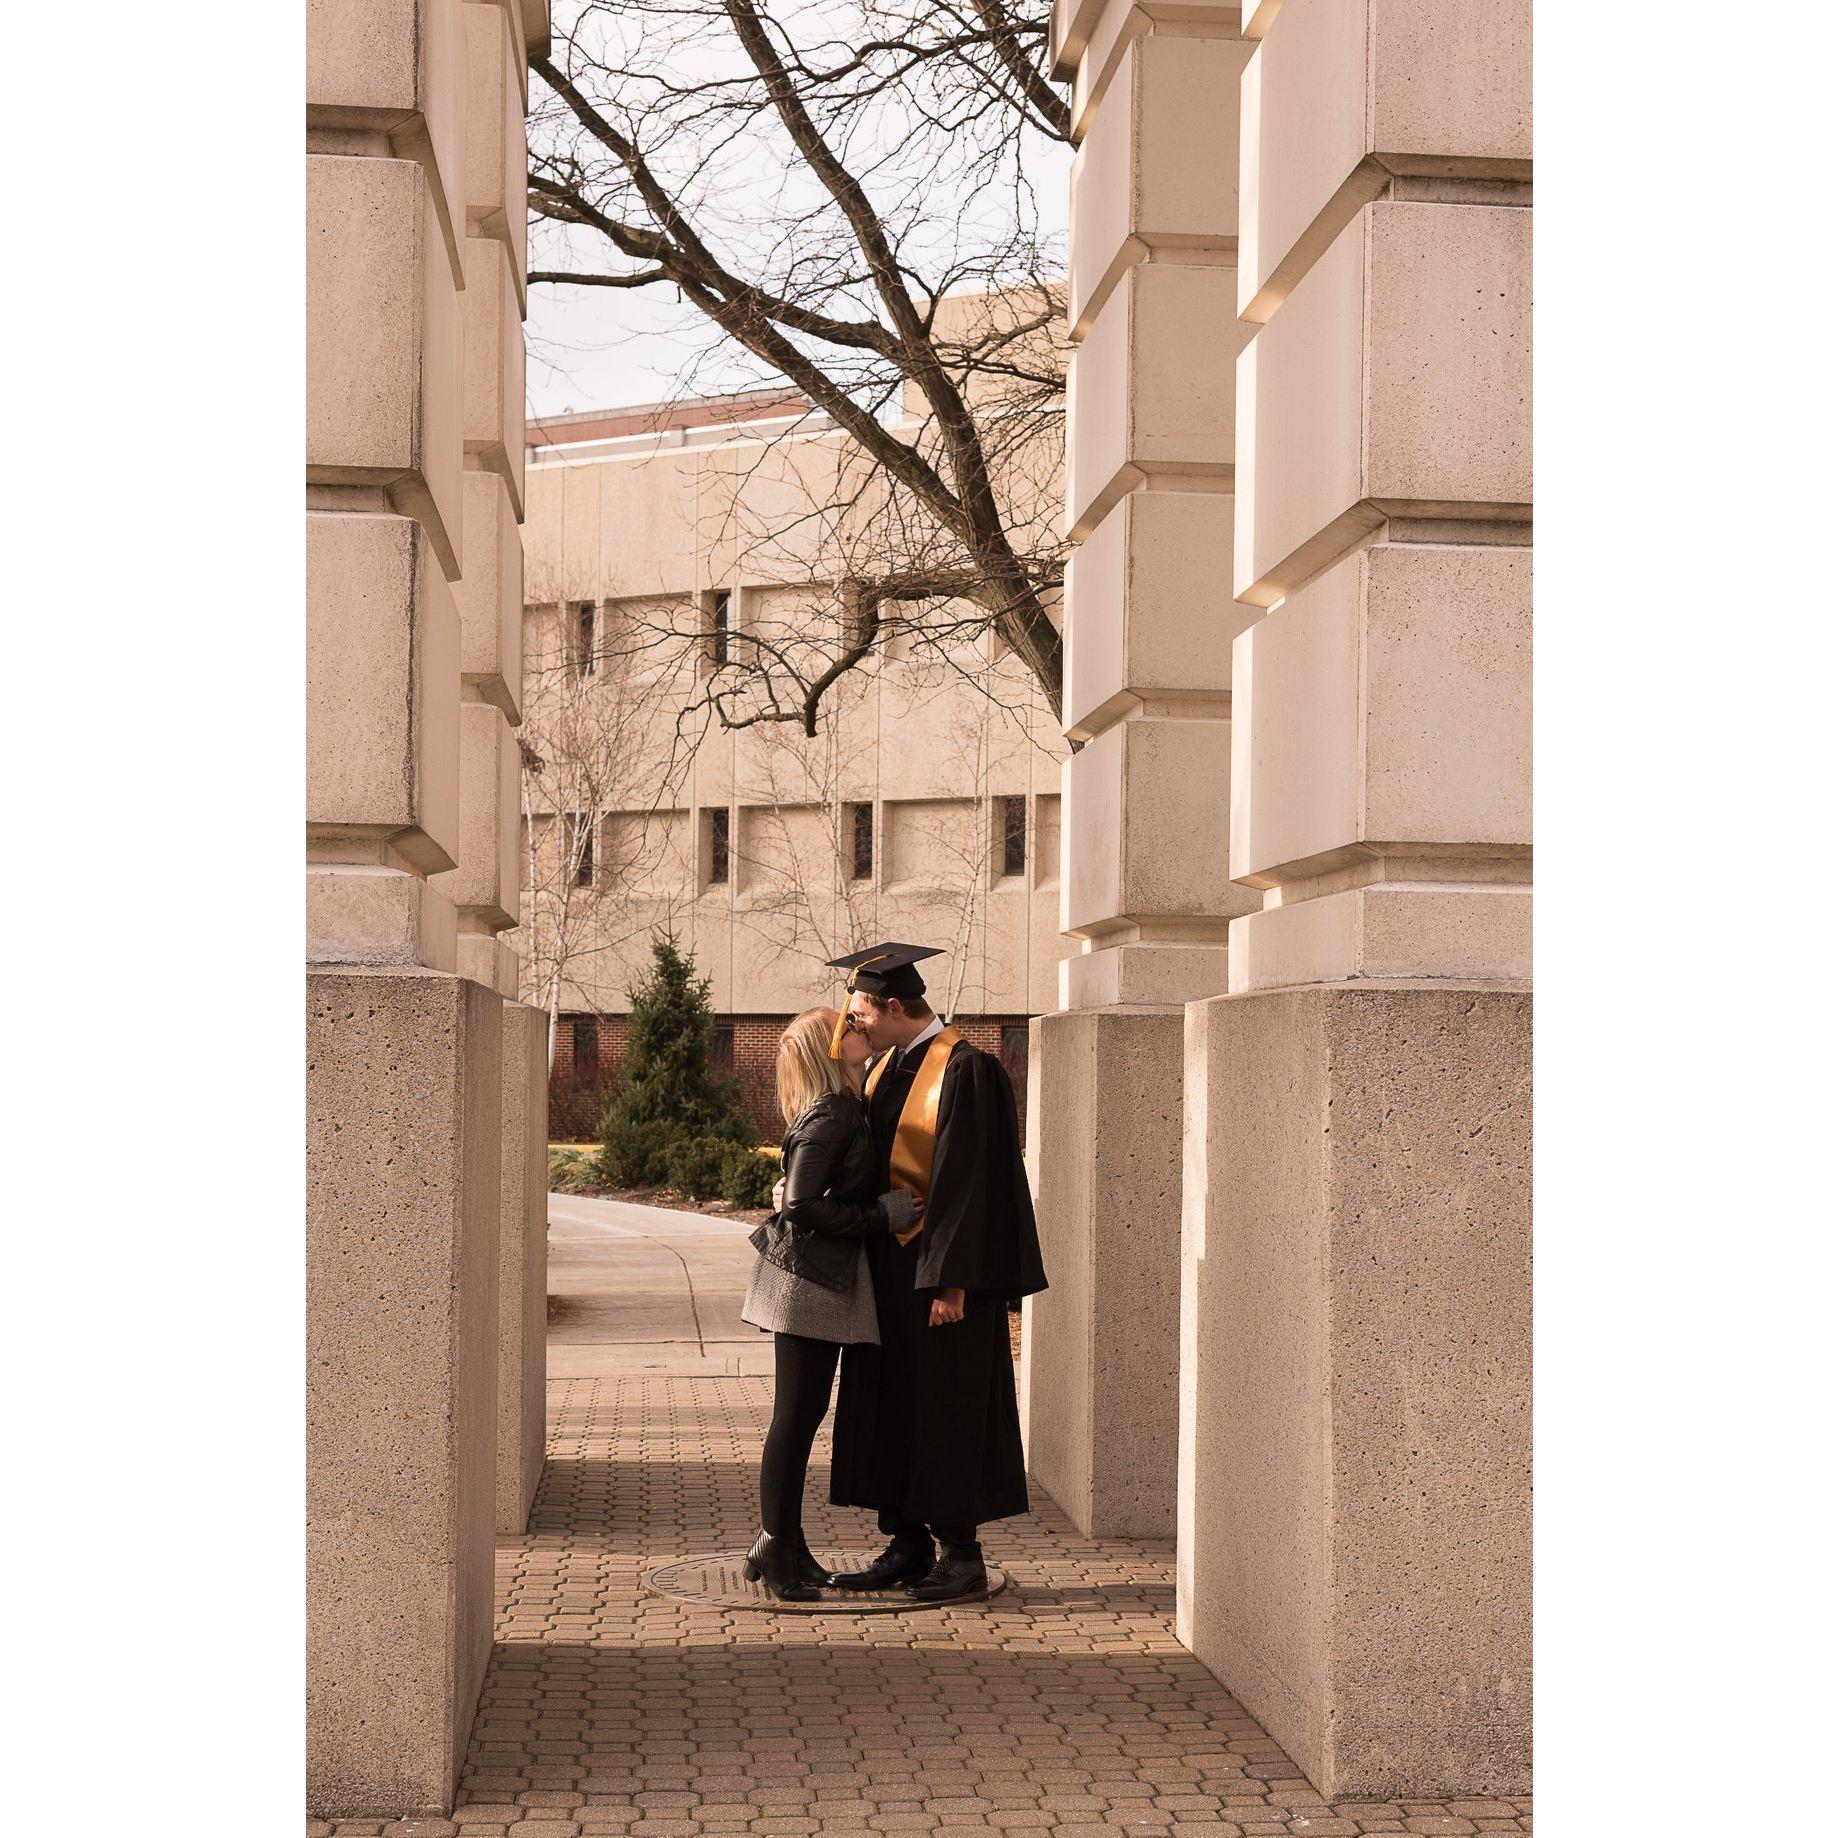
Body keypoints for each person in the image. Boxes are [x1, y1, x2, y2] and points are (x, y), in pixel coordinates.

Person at [820, 943, 1048, 1604]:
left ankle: (961, 1554)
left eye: (858, 1010)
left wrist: (954, 1282)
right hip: (889, 1275)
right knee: (893, 1408)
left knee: (944, 1409)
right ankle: (907, 1543)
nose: (850, 1023)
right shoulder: (889, 1067)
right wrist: (853, 1068)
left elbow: (972, 1182)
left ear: (894, 1005)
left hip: (943, 1281)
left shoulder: (966, 1069)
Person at [738, 1007, 921, 1600]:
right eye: (850, 1027)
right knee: (795, 1417)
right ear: (829, 1046)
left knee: (803, 1414)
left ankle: (787, 1545)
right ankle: (774, 1543)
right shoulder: (836, 1110)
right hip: (809, 1283)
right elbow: (800, 1203)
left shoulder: (847, 1103)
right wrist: (881, 1216)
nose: (862, 1029)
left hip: (815, 1278)